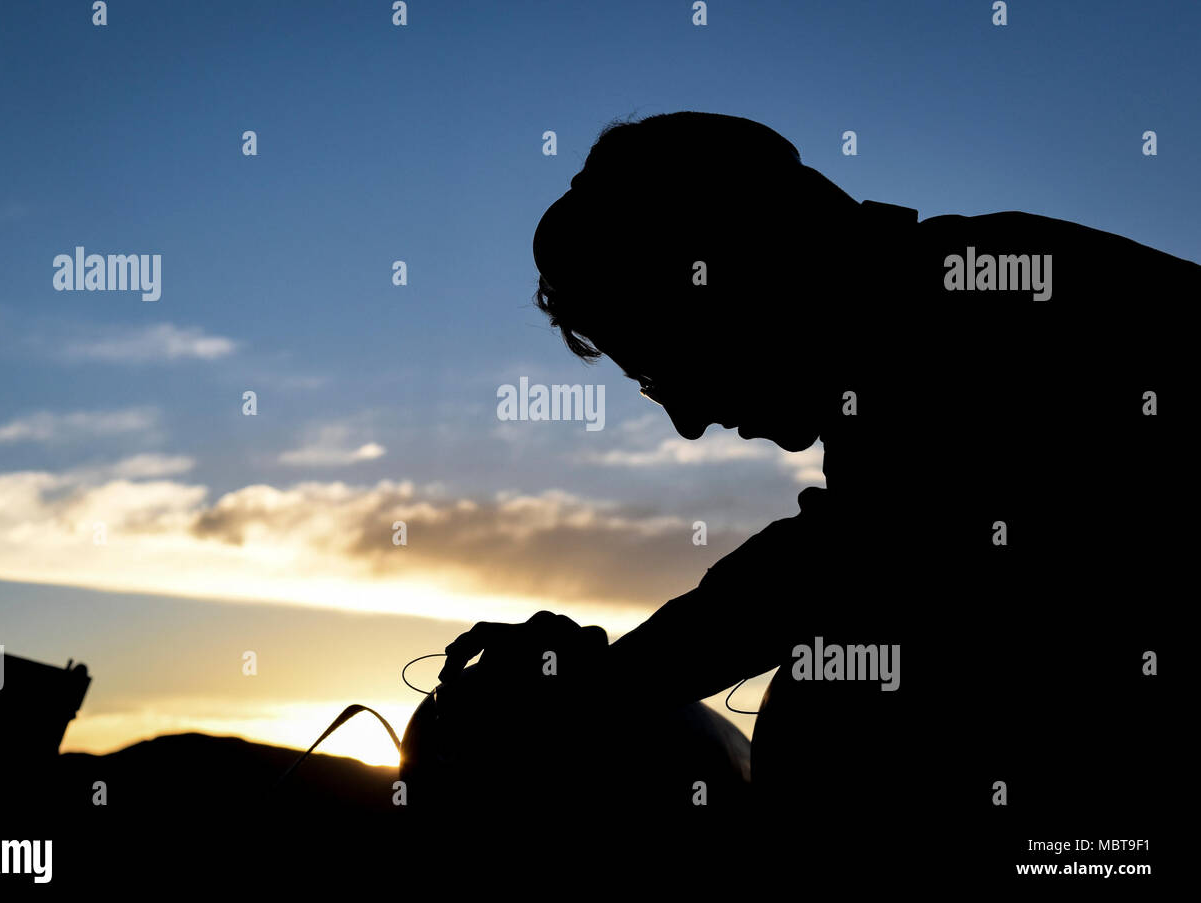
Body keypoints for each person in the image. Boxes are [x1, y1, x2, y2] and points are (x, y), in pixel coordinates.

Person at [439, 112, 1194, 875]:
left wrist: (586, 693)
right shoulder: (937, 316)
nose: (689, 421)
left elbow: (845, 559)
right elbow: (856, 542)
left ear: (734, 272)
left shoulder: (987, 308)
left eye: (663, 367)